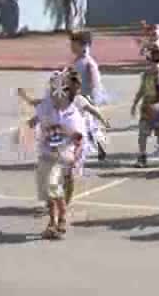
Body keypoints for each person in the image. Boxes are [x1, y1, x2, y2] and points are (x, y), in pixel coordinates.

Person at [29, 70, 85, 239]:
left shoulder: (72, 114)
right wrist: (32, 123)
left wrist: (76, 156)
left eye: (58, 90)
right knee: (48, 191)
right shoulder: (48, 107)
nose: (53, 94)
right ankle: (52, 222)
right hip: (46, 153)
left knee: (53, 187)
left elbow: (78, 138)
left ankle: (62, 218)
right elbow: (39, 116)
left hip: (61, 155)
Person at [131, 45, 159, 167]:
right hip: (147, 107)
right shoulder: (146, 74)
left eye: (151, 58)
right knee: (143, 132)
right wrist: (135, 104)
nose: (151, 62)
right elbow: (141, 90)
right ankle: (142, 156)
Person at [69, 30, 109, 159]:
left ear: (84, 45)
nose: (71, 47)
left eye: (74, 45)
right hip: (77, 98)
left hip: (85, 99)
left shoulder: (89, 63)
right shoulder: (77, 60)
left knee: (85, 125)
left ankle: (92, 149)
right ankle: (98, 148)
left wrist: (90, 98)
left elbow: (94, 82)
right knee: (86, 126)